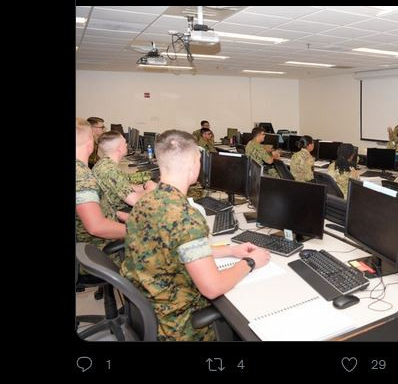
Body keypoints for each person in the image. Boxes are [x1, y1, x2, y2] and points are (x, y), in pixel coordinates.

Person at [121, 130, 270, 341]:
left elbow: (178, 247)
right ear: (193, 166)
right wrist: (250, 262)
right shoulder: (186, 217)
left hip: (149, 308)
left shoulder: (146, 200)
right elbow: (212, 288)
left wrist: (231, 250)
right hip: (177, 325)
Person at [76, 119, 126, 253]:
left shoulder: (81, 171)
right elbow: (96, 227)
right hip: (98, 249)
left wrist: (117, 214)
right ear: (90, 143)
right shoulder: (81, 177)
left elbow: (88, 209)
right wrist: (139, 230)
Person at [92, 131, 157, 217]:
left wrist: (145, 186)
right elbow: (134, 201)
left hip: (113, 210)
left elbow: (127, 186)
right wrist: (150, 188)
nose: (127, 144)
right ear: (119, 149)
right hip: (112, 215)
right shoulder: (110, 171)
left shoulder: (106, 163)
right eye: (125, 142)